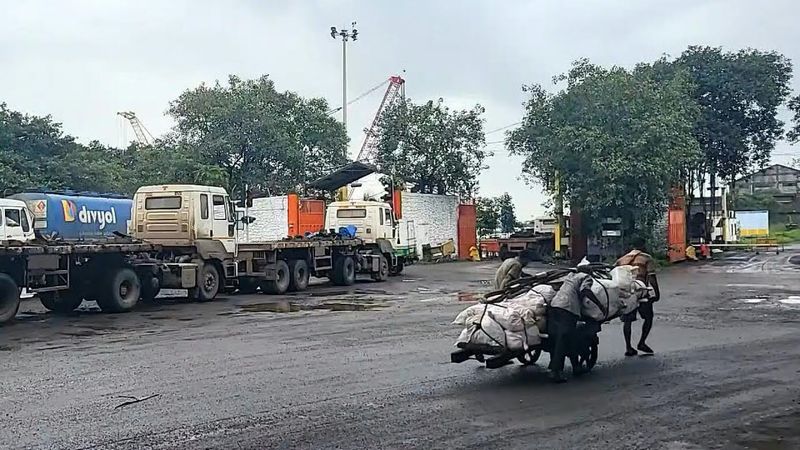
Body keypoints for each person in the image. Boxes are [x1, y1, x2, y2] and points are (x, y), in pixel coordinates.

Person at [547, 265, 602, 383]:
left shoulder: (570, 276)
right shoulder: (586, 277)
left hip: (554, 306)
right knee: (563, 340)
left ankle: (575, 367)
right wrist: (599, 305)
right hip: (567, 309)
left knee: (561, 338)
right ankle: (556, 372)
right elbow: (585, 290)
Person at [616, 237, 661, 356]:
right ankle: (642, 342)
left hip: (626, 292)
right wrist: (656, 293)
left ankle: (628, 347)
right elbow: (651, 277)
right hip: (641, 290)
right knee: (648, 317)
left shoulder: (622, 259)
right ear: (643, 246)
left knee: (627, 321)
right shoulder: (646, 258)